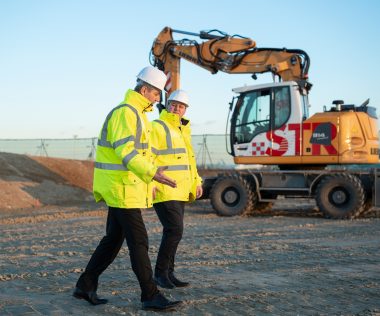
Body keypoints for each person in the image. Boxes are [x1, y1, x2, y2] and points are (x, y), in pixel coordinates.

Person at [73, 66, 182, 311]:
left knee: (113, 239)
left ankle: (85, 284)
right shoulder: (126, 113)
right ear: (144, 90)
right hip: (120, 188)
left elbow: (143, 153)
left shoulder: (137, 115)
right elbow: (126, 152)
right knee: (139, 241)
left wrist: (151, 180)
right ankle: (150, 295)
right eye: (156, 95)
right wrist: (153, 174)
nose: (157, 100)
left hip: (127, 187)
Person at [150, 89, 203, 289]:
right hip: (165, 187)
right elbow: (149, 157)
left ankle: (169, 273)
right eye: (173, 104)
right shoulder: (158, 126)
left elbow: (190, 161)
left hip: (180, 189)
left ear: (185, 110)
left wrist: (196, 181)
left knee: (174, 231)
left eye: (181, 106)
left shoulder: (183, 130)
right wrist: (152, 182)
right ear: (167, 104)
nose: (176, 109)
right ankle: (160, 273)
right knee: (174, 230)